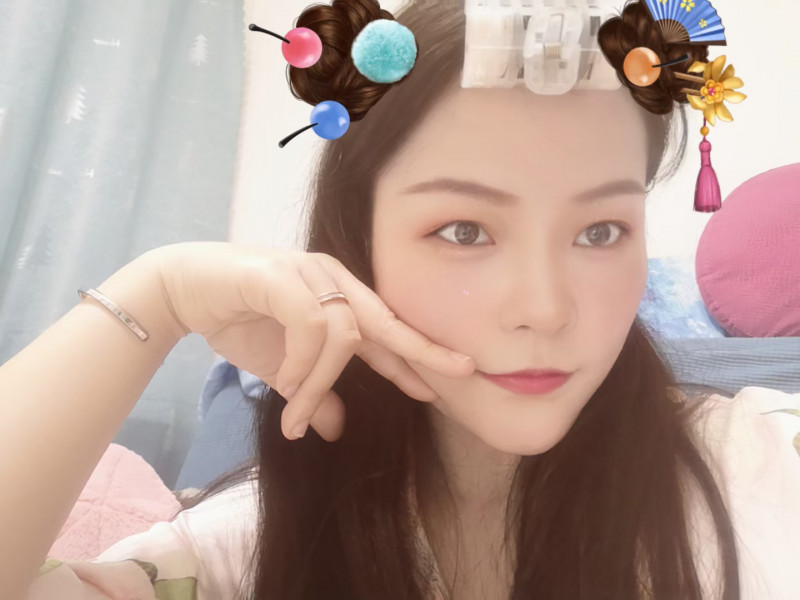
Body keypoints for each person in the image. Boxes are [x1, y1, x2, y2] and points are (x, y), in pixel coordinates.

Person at [2, 0, 799, 598]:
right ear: (359, 248)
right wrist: (158, 295)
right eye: (463, 230)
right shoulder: (242, 554)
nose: (546, 308)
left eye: (600, 231)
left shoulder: (765, 469)